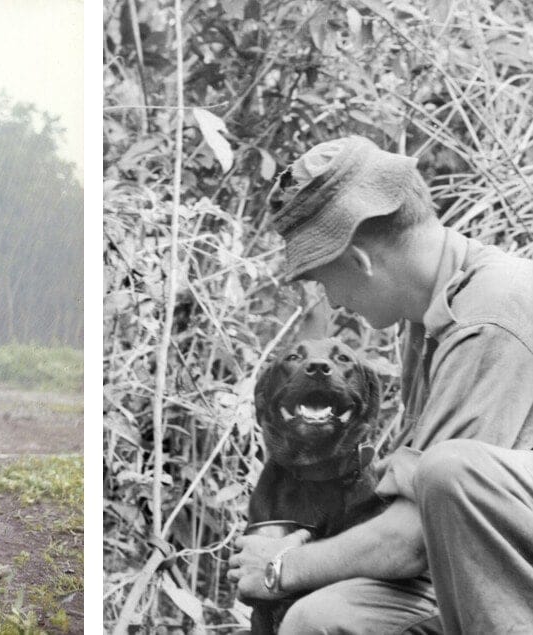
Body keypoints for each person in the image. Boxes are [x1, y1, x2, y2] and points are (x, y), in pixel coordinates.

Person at [227, 136, 533, 633]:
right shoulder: (433, 315)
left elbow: (412, 538)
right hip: (485, 563)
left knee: (452, 469)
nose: (333, 302)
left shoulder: (491, 317)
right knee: (320, 619)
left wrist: (281, 567)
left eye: (323, 280)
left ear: (360, 261)